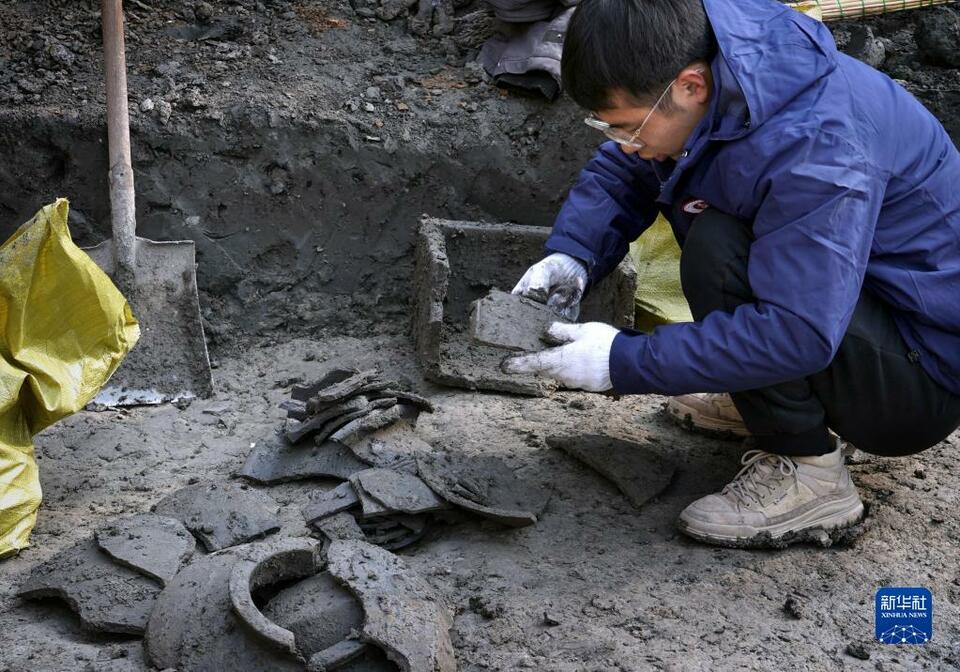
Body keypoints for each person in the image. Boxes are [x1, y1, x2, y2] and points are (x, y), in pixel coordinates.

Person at [505, 0, 960, 547]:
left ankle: (810, 473)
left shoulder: (819, 150)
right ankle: (765, 393)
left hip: (919, 376)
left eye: (626, 126)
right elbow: (632, 162)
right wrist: (574, 254)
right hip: (862, 309)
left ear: (690, 86)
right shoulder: (724, 64)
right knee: (716, 230)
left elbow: (796, 332)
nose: (622, 141)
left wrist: (619, 361)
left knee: (718, 246)